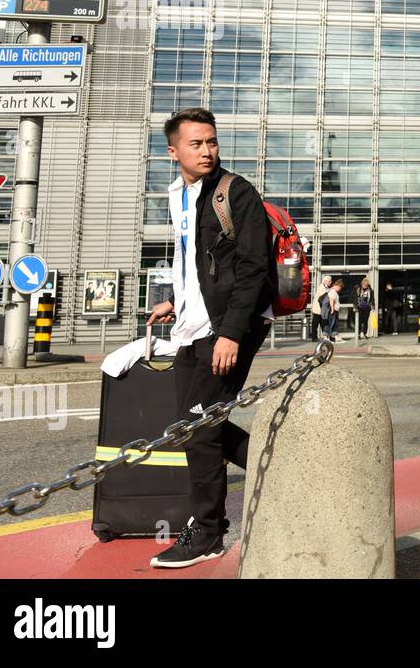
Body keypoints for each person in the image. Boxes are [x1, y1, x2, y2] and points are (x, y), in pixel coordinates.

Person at [145, 108, 275, 569]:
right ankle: (282, 463)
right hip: (193, 326)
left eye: (211, 142)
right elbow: (193, 264)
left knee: (199, 429)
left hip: (229, 329)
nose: (206, 150)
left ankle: (207, 533)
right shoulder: (177, 193)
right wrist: (176, 303)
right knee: (192, 425)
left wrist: (230, 334)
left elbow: (253, 269)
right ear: (173, 151)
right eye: (196, 143)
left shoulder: (235, 193)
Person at [310, 274, 332, 342]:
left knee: (323, 324)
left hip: (321, 310)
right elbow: (323, 298)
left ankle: (325, 337)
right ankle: (314, 338)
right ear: (326, 281)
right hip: (318, 310)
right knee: (316, 324)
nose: (331, 282)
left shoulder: (325, 287)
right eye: (330, 281)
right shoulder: (321, 287)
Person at [355, 277, 374, 341]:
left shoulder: (370, 290)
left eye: (366, 285)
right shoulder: (359, 289)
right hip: (360, 307)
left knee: (365, 321)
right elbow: (355, 298)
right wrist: (355, 306)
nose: (365, 286)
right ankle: (358, 334)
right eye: (364, 284)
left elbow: (372, 298)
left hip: (367, 307)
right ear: (362, 284)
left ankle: (365, 333)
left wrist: (373, 305)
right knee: (360, 321)